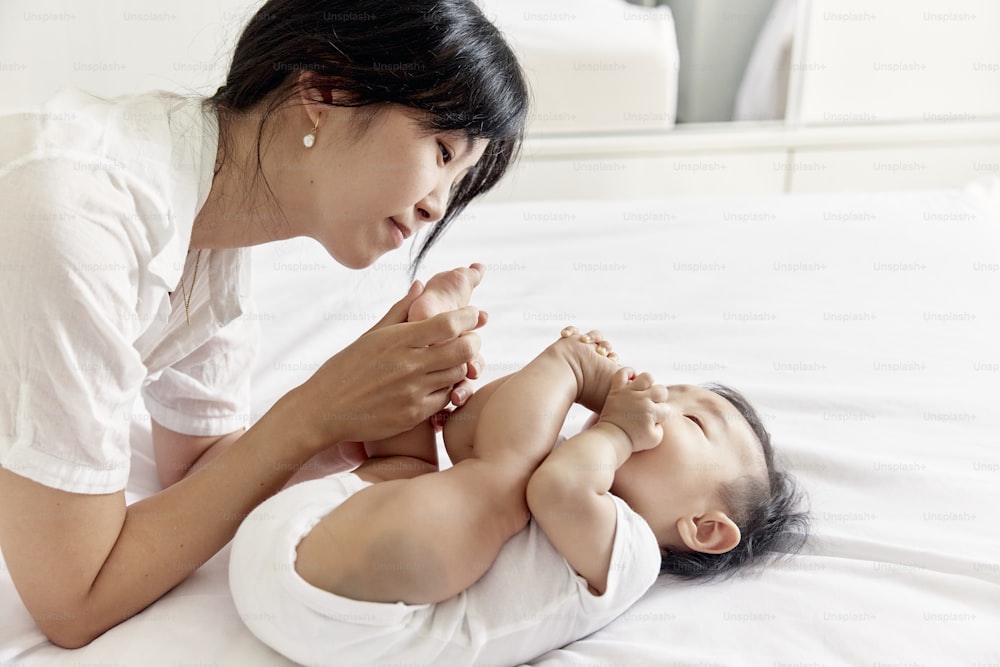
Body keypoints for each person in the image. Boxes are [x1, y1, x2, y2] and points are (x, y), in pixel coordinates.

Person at [0, 0, 528, 648]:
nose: (437, 206)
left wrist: (356, 417)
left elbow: (200, 470)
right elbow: (72, 599)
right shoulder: (80, 217)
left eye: (461, 179)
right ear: (326, 86)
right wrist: (313, 408)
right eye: (443, 150)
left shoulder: (212, 221)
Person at [228, 275, 810, 665]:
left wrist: (583, 388)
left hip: (355, 608)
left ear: (703, 526)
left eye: (692, 420)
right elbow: (465, 433)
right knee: (418, 456)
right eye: (670, 388)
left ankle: (426, 341)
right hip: (321, 531)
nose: (658, 397)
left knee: (497, 479)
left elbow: (550, 488)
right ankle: (425, 338)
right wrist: (544, 389)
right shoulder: (561, 459)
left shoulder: (631, 551)